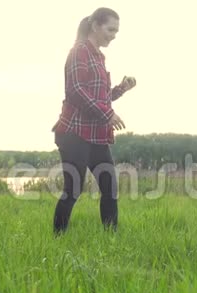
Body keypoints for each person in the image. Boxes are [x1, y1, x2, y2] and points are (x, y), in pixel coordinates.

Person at [51, 7, 136, 234]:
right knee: (73, 189)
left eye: (116, 31)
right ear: (96, 25)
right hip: (74, 132)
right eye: (110, 29)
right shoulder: (79, 51)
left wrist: (121, 89)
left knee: (110, 187)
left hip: (96, 134)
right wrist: (108, 115)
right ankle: (58, 239)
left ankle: (111, 239)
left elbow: (100, 97)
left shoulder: (98, 57)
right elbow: (76, 91)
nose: (113, 35)